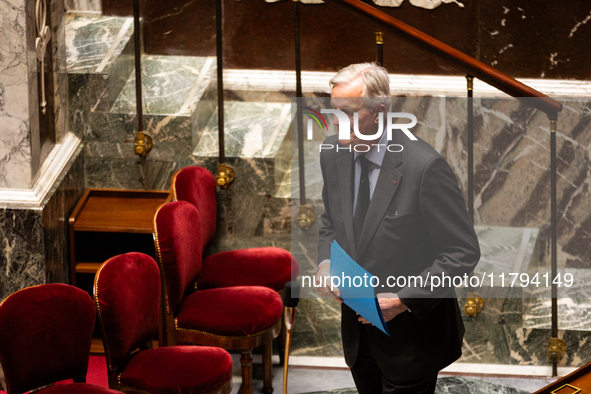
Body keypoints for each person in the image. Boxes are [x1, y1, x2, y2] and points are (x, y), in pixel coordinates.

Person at [314, 63, 480, 394]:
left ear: (380, 111)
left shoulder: (425, 167)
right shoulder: (333, 155)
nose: (337, 123)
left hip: (411, 341)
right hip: (358, 336)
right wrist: (325, 263)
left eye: (349, 112)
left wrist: (403, 300)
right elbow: (330, 222)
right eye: (335, 112)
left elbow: (461, 253)